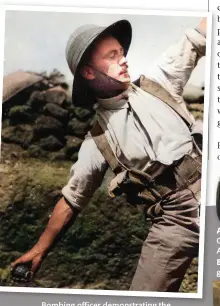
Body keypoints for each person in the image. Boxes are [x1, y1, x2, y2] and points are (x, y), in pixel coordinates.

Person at [11, 17, 207, 292]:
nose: (124, 60)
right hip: (173, 221)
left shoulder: (160, 80)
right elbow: (71, 199)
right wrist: (39, 250)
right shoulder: (96, 142)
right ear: (89, 73)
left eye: (122, 53)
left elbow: (197, 36)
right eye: (112, 56)